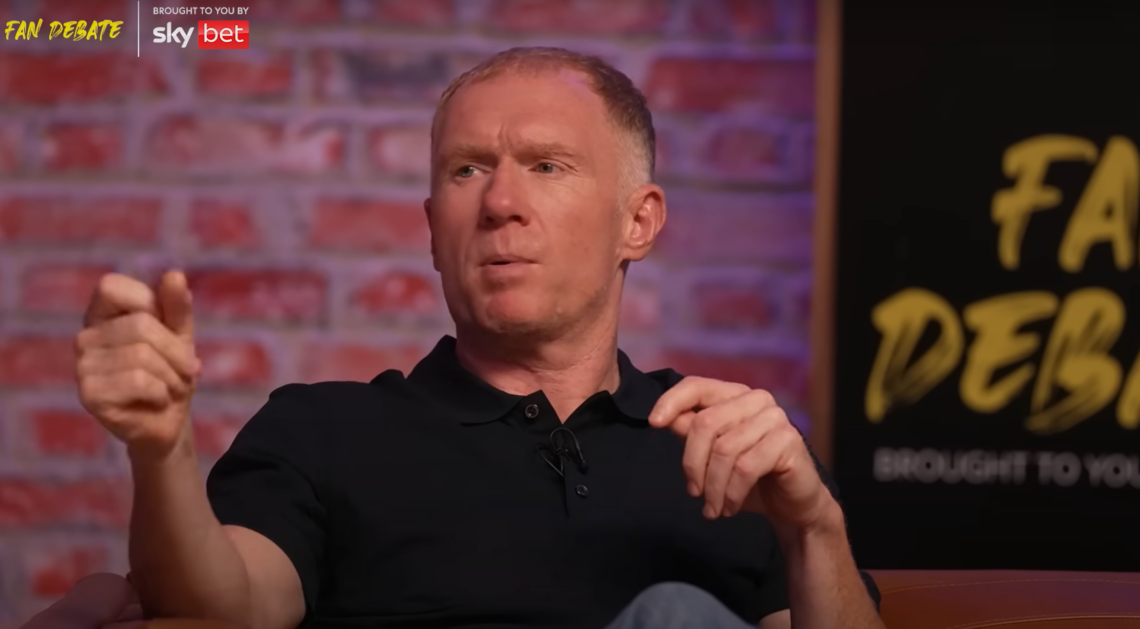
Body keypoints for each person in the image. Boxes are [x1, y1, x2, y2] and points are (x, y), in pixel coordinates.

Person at [72, 47, 884, 629]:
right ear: (434, 231)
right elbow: (223, 606)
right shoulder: (321, 431)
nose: (499, 203)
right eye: (466, 170)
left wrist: (813, 527)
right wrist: (160, 449)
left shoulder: (734, 449)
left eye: (547, 165)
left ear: (637, 222)